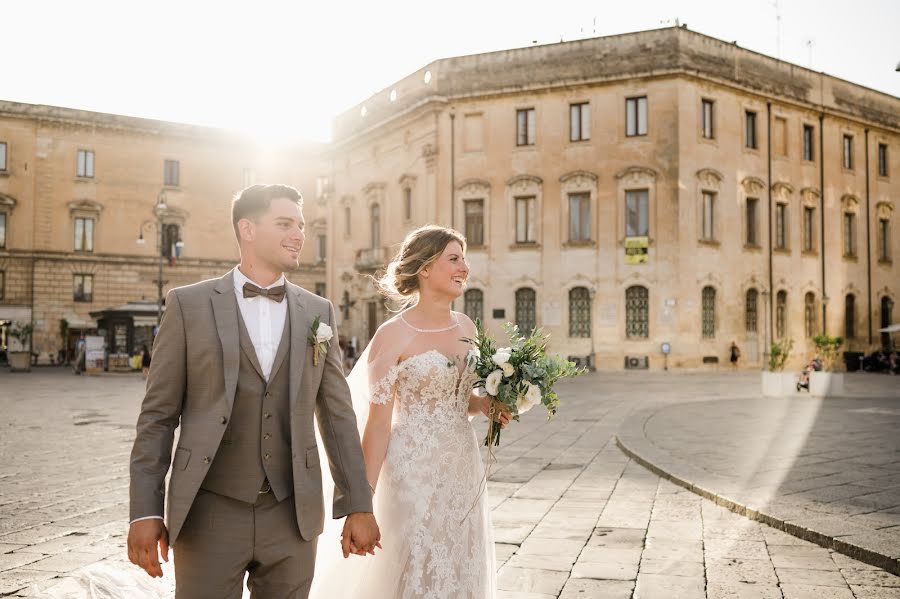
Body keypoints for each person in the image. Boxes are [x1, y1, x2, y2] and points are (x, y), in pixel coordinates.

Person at [127, 184, 380, 599]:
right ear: (247, 228)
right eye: (285, 224)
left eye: (300, 225)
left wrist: (358, 503)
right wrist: (145, 510)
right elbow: (157, 417)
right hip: (208, 511)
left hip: (294, 515)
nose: (299, 235)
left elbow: (337, 416)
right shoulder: (187, 305)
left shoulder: (319, 312)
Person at [310, 225, 508, 599]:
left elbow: (455, 397)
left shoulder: (466, 326)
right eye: (454, 258)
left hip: (462, 468)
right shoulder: (392, 335)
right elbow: (379, 425)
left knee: (461, 562)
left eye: (464, 259)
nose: (464, 267)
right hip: (412, 471)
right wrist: (361, 504)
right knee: (413, 565)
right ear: (425, 268)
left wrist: (483, 403)